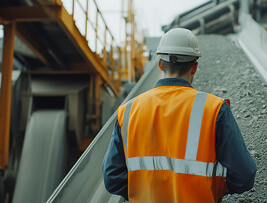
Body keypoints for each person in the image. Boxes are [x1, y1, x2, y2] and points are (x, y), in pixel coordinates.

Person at [102, 28, 256, 202]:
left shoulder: (128, 111)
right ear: (195, 67)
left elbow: (112, 177)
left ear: (160, 64)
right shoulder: (214, 109)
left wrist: (143, 193)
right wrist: (214, 189)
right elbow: (244, 176)